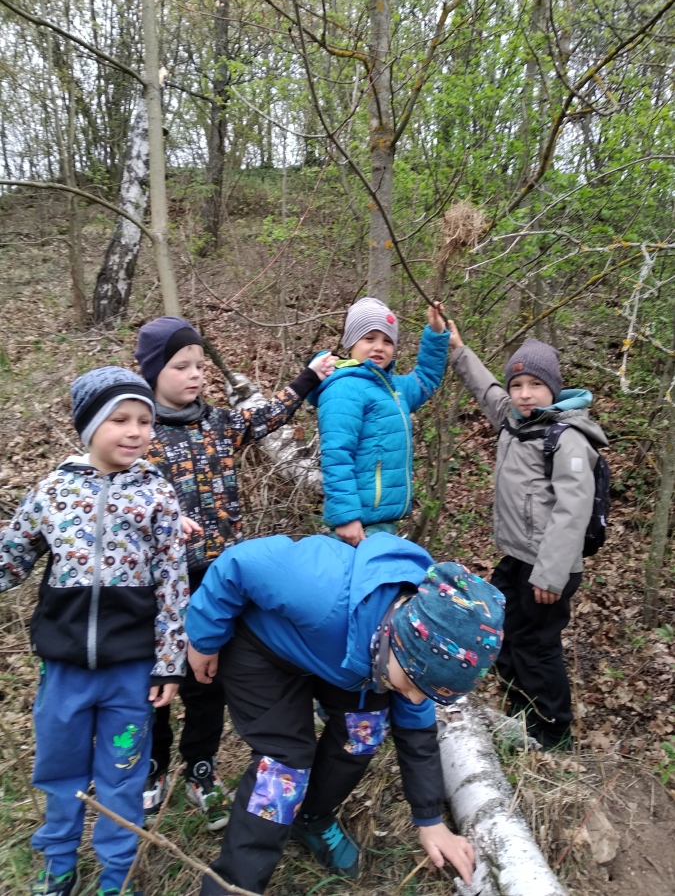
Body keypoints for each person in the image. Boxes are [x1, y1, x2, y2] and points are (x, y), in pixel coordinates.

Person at [185, 531, 505, 894]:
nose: (416, 698)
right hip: (262, 649)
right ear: (398, 641)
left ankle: (311, 816)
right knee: (285, 767)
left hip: (346, 662)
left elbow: (417, 731)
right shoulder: (321, 590)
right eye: (414, 684)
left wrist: (429, 819)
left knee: (364, 730)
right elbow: (238, 565)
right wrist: (204, 638)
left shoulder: (411, 658)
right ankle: (232, 885)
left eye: (427, 693)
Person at [134, 316, 335, 828]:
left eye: (200, 365)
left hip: (218, 580)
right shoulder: (138, 437)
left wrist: (308, 377)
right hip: (160, 584)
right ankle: (151, 768)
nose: (195, 375)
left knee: (207, 679)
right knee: (157, 678)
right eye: (181, 366)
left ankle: (200, 768)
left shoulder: (219, 424)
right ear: (153, 372)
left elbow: (267, 415)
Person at [0, 367, 189, 896]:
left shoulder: (157, 494)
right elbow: (12, 558)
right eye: (119, 419)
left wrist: (169, 662)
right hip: (64, 671)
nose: (135, 431)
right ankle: (58, 861)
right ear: (88, 426)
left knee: (122, 774)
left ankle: (117, 874)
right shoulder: (53, 491)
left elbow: (173, 583)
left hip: (131, 673)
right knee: (58, 769)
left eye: (144, 421)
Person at [448, 324, 608, 749]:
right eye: (517, 385)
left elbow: (573, 511)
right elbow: (486, 390)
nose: (523, 394)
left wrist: (550, 575)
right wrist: (458, 349)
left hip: (549, 567)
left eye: (535, 385)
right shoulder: (514, 421)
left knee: (537, 646)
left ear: (553, 389)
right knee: (504, 633)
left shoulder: (566, 438)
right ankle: (520, 714)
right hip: (517, 557)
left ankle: (553, 732)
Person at [308, 297, 449, 546]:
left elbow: (426, 377)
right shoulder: (344, 388)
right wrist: (346, 517)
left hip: (383, 523)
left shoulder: (392, 389)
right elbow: (337, 455)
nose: (379, 347)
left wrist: (436, 332)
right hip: (357, 526)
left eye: (387, 341)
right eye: (369, 338)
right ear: (351, 342)